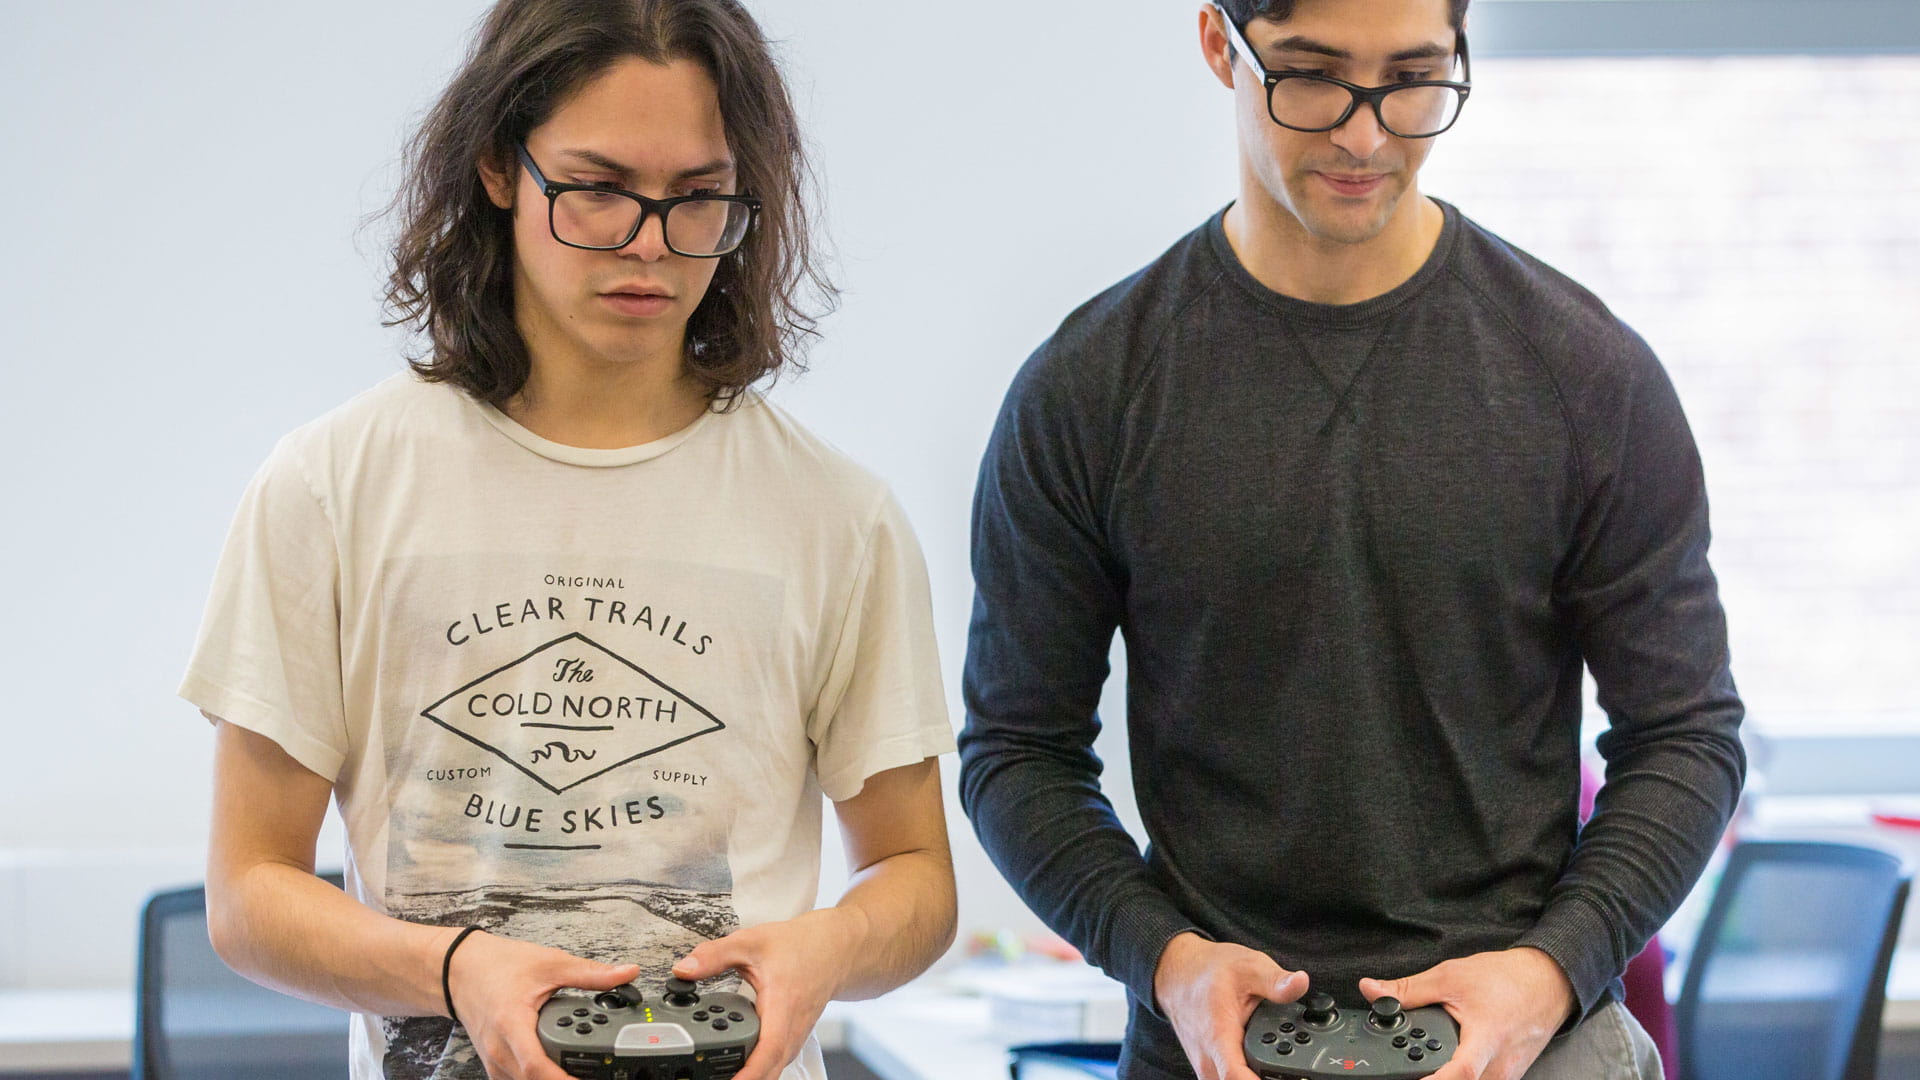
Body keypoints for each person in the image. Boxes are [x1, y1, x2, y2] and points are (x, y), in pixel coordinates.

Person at [957, 1, 1745, 1078]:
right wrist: (1168, 959)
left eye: (1416, 78)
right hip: (1213, 1054)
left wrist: (1550, 970)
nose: (1368, 135)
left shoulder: (1585, 377)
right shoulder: (1089, 392)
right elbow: (1019, 753)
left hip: (1532, 1049)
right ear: (1216, 43)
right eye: (1312, 77)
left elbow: (1686, 736)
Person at [180, 3, 956, 1079]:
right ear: (500, 167)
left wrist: (830, 945)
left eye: (697, 199)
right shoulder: (330, 487)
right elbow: (248, 894)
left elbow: (915, 874)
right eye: (596, 190)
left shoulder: (837, 515)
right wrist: (457, 971)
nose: (649, 245)